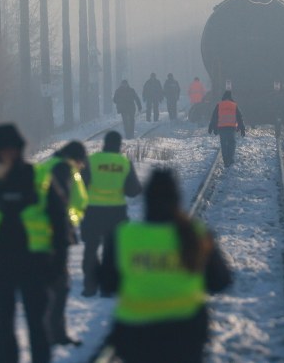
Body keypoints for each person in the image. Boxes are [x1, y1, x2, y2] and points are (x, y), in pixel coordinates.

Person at [0, 123, 75, 363]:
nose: (8, 153)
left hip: (36, 264)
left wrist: (59, 264)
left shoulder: (40, 176)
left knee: (38, 328)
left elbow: (59, 221)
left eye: (11, 148)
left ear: (20, 148)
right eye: (3, 149)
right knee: (4, 331)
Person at [98, 169, 232, 363]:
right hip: (186, 334)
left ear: (147, 200)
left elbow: (108, 284)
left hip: (136, 335)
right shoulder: (196, 233)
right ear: (177, 198)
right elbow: (220, 281)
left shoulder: (123, 236)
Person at [80, 130, 142, 297]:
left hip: (93, 211)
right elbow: (132, 191)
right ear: (119, 145)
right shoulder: (124, 163)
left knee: (91, 248)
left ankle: (90, 286)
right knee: (111, 251)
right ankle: (108, 288)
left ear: (104, 144)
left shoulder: (91, 161)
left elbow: (80, 186)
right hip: (116, 213)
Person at [39, 141, 89, 347]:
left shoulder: (46, 166)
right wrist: (70, 222)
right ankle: (55, 333)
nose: (82, 166)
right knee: (60, 285)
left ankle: (49, 331)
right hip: (57, 234)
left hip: (38, 234)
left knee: (47, 284)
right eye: (81, 162)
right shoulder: (65, 170)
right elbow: (68, 202)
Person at [208, 90, 246, 167]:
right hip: (231, 128)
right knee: (232, 143)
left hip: (222, 128)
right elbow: (240, 117)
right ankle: (231, 159)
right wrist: (242, 128)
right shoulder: (234, 105)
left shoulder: (219, 105)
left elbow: (214, 117)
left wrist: (212, 127)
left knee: (224, 143)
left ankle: (225, 160)